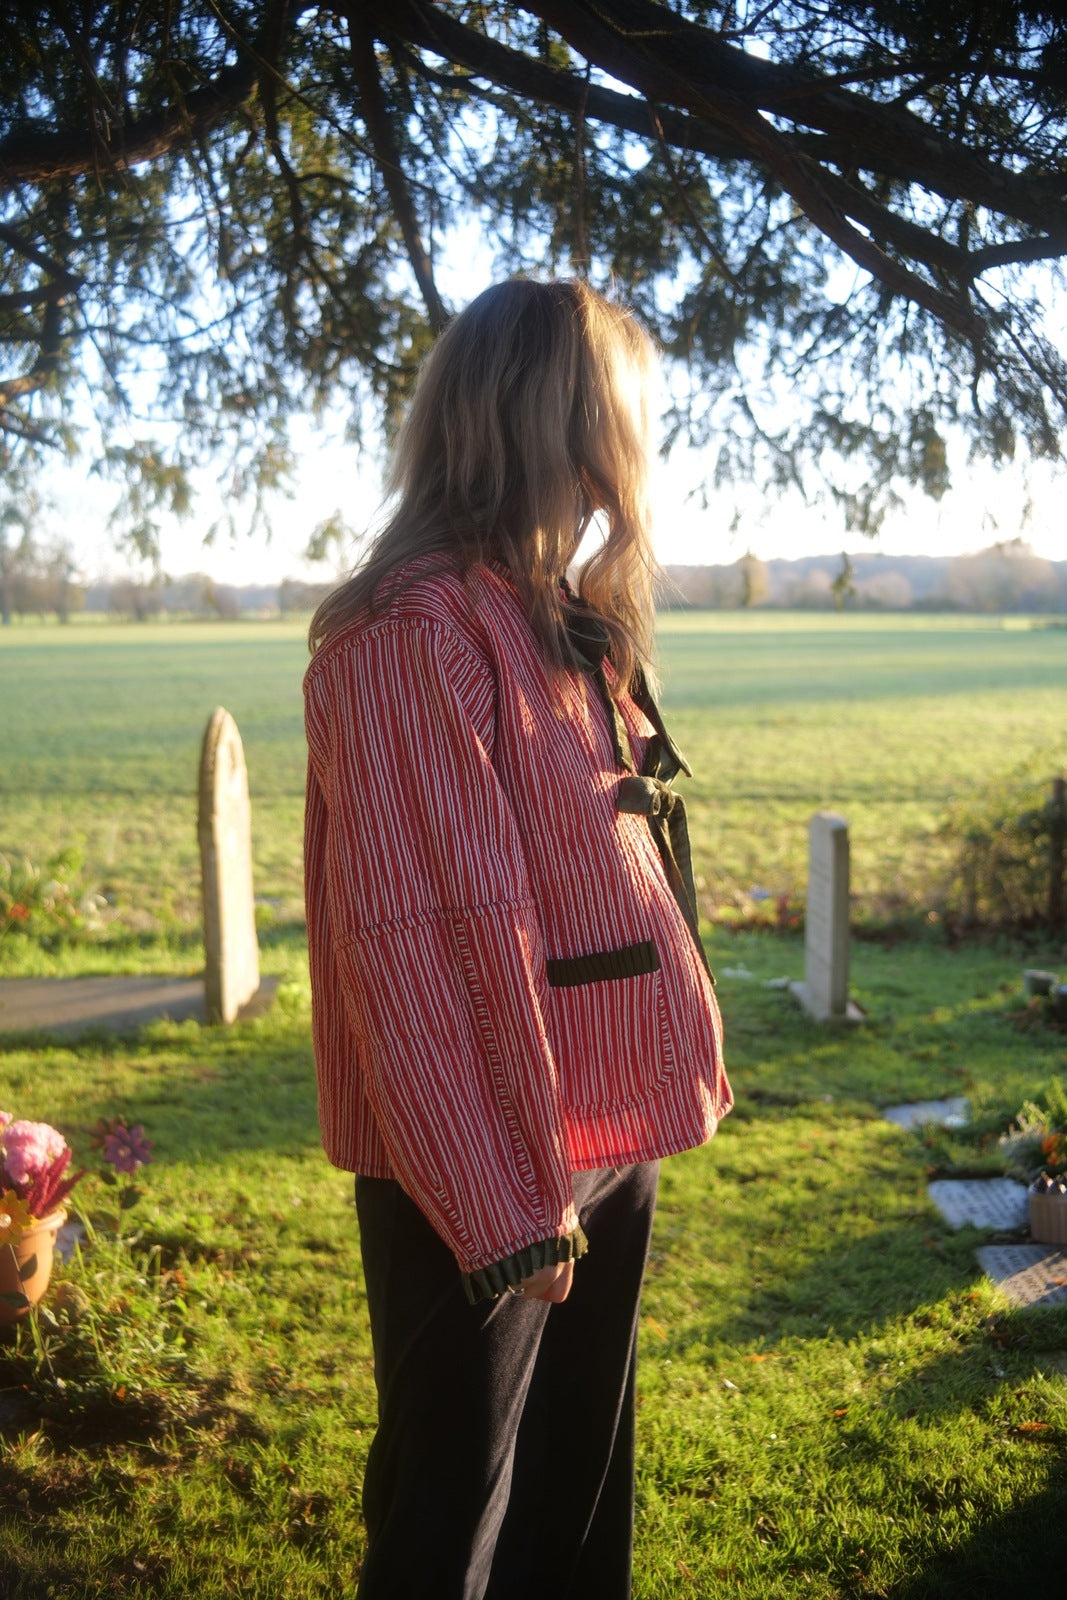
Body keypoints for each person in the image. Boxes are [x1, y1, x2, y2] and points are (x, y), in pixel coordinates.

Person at [303, 277, 731, 1600]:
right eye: (618, 410)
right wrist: (499, 1204)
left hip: (599, 1135)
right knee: (451, 1522)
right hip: (481, 1167)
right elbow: (421, 938)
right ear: (555, 419)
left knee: (576, 1500)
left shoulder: (551, 616)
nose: (633, 451)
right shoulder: (411, 629)